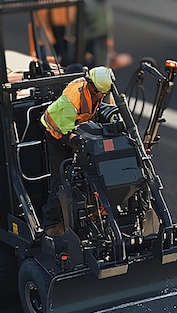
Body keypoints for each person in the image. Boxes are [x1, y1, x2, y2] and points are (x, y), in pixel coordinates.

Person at [40, 65, 115, 236]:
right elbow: (65, 130)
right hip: (57, 131)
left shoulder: (99, 91)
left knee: (89, 171)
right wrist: (80, 142)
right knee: (61, 177)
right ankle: (51, 223)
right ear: (91, 85)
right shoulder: (72, 97)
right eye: (99, 93)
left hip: (75, 126)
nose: (101, 96)